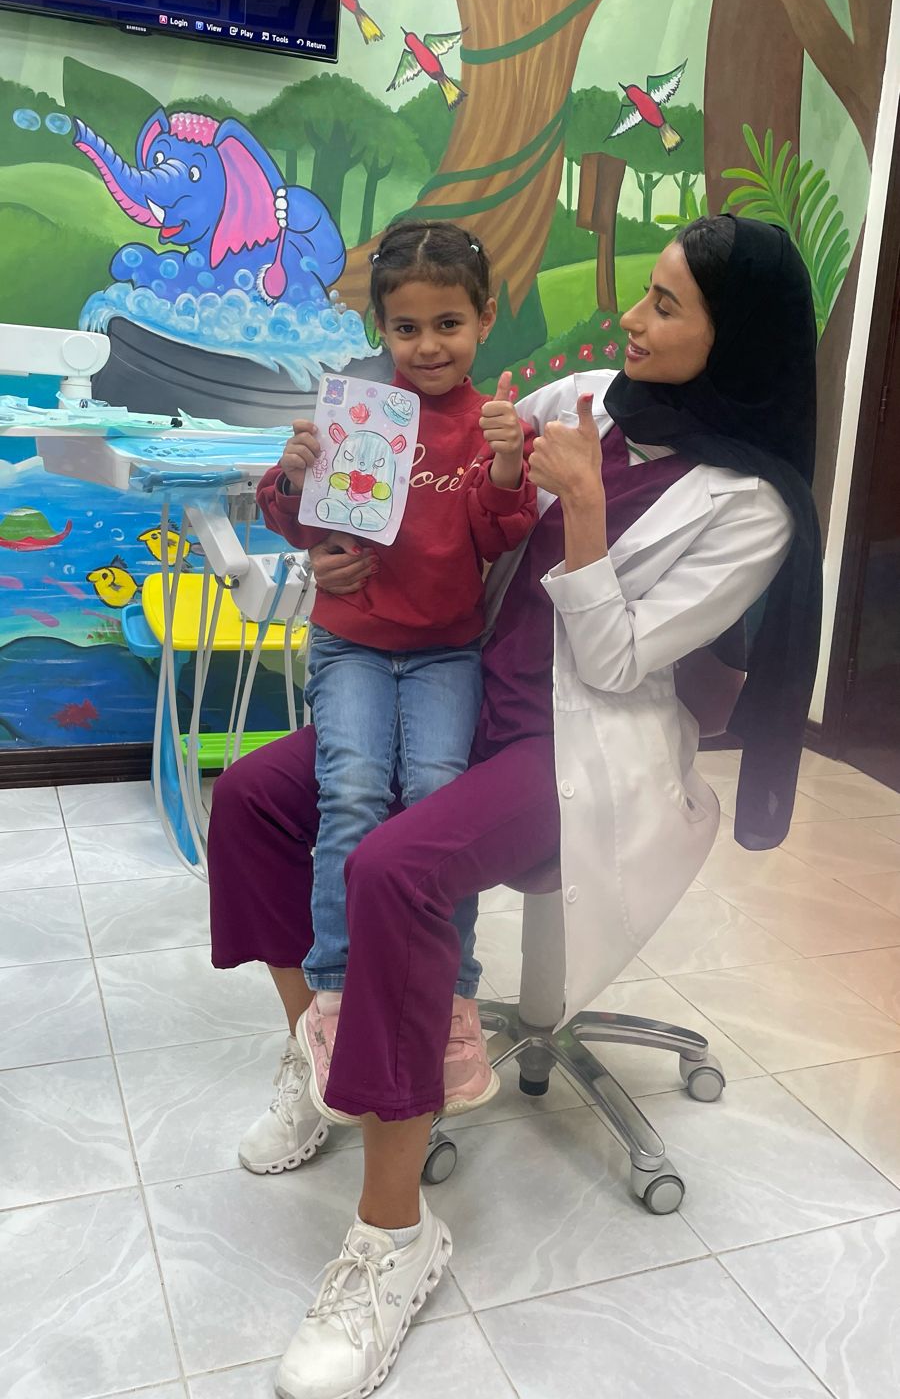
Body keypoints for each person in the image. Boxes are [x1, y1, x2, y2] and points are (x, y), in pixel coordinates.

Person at [208, 215, 822, 1399]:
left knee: (393, 868)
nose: (631, 319)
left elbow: (620, 663)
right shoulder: (580, 400)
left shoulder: (754, 509)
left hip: (579, 748)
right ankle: (322, 1049)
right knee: (254, 801)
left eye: (666, 305)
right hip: (457, 689)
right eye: (646, 293)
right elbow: (436, 513)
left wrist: (581, 512)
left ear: (733, 335)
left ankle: (394, 1238)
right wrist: (330, 545)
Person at [254, 220, 537, 1132]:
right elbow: (304, 525)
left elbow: (500, 534)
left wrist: (505, 461)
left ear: (484, 320)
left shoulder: (490, 425)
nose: (427, 345)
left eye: (448, 324)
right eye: (406, 327)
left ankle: (451, 998)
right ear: (381, 327)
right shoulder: (359, 414)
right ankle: (336, 994)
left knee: (437, 801)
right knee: (353, 791)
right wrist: (293, 479)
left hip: (448, 650)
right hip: (353, 644)